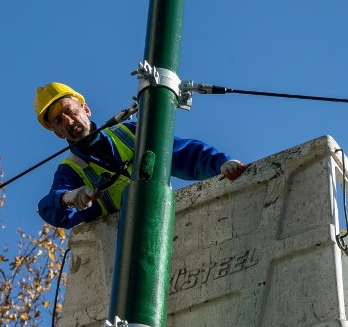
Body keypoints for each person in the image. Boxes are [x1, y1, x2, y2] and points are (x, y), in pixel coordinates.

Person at [34, 82, 245, 229]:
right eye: (59, 121)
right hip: (117, 248)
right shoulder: (70, 170)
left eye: (71, 112)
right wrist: (67, 199)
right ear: (58, 133)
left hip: (161, 226)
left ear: (86, 109)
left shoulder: (130, 132)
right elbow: (50, 208)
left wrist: (219, 163)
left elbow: (180, 152)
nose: (69, 122)